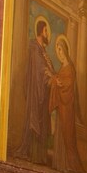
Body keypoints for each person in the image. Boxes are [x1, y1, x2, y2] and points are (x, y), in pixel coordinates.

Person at [12, 16, 55, 165]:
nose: (47, 34)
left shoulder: (43, 50)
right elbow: (38, 68)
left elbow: (48, 68)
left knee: (43, 122)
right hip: (35, 92)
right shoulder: (34, 47)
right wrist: (47, 74)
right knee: (34, 120)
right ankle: (30, 152)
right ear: (40, 31)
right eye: (46, 31)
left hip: (43, 91)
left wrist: (52, 76)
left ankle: (40, 156)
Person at [49, 35, 85, 173]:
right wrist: (55, 82)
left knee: (66, 134)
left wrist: (59, 84)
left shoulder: (69, 68)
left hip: (67, 108)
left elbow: (68, 87)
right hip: (60, 107)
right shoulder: (61, 68)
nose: (59, 53)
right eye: (57, 50)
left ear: (65, 50)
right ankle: (59, 163)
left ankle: (67, 164)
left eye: (60, 49)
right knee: (60, 132)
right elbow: (57, 82)